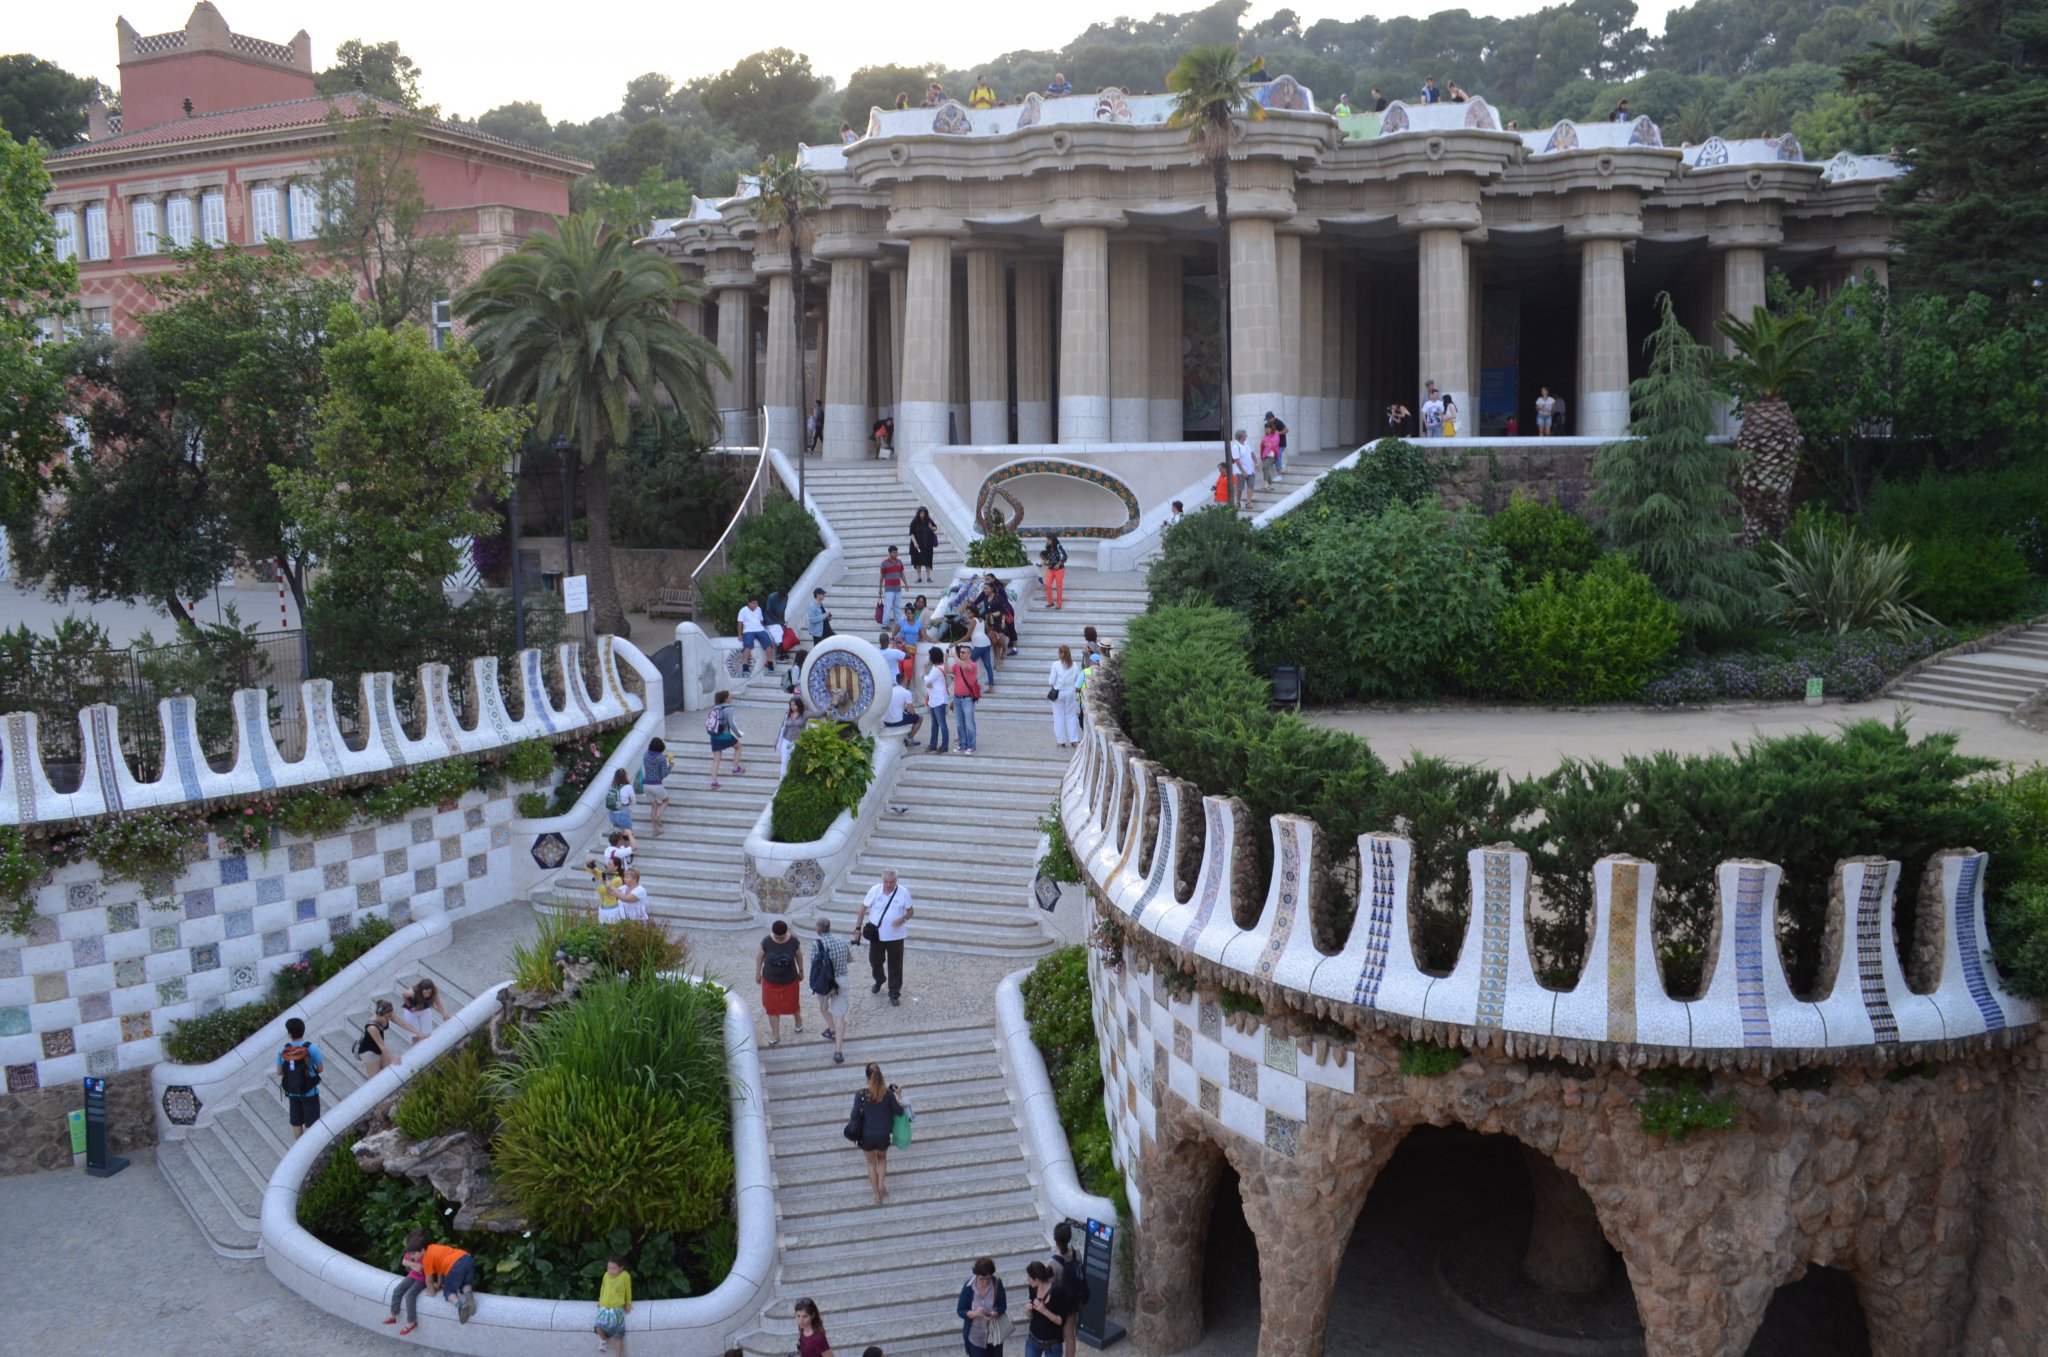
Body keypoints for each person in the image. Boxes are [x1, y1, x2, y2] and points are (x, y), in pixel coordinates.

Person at [849, 1063, 910, 1203]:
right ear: (881, 1076)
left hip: (866, 1137)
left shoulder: (860, 1094)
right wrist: (898, 1094)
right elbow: (899, 1112)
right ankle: (881, 1183)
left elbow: (854, 1115)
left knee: (871, 1163)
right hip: (883, 1136)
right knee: (882, 1158)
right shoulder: (888, 1094)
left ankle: (877, 1194)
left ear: (867, 1077)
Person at [858, 867, 914, 1004]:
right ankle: (879, 979)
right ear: (882, 880)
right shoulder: (875, 890)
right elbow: (863, 908)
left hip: (896, 936)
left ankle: (894, 993)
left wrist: (903, 919)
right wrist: (857, 928)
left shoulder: (903, 892)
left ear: (896, 881)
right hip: (877, 935)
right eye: (886, 882)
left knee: (896, 966)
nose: (889, 885)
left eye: (892, 882)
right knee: (875, 961)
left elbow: (910, 911)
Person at [811, 915, 852, 1064]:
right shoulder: (841, 941)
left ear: (818, 930)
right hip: (841, 981)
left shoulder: (817, 944)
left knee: (823, 1007)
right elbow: (850, 959)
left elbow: (814, 965)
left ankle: (832, 1029)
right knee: (840, 1015)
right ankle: (838, 1051)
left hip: (825, 983)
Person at [758, 918, 804, 1046]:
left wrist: (801, 970)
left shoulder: (793, 941)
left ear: (786, 933)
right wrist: (757, 973)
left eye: (781, 937)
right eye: (776, 937)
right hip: (770, 980)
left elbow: (799, 955)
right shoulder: (766, 941)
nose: (778, 939)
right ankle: (775, 1034)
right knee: (771, 1007)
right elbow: (759, 956)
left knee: (793, 1004)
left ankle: (798, 1021)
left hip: (790, 980)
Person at [274, 1020, 323, 1136]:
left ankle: (299, 1144)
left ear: (289, 1034)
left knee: (296, 1122)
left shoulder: (283, 1050)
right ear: (303, 1031)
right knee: (311, 1123)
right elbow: (320, 1068)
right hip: (309, 1091)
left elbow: (279, 1072)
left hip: (292, 1091)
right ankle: (310, 1144)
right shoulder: (311, 1048)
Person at [1050, 1221, 1090, 1357]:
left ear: (1055, 1238)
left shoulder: (1052, 1263)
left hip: (1057, 1306)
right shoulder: (1077, 1254)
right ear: (1069, 1237)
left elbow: (1050, 1286)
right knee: (1070, 1336)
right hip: (1072, 1302)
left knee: (1054, 1337)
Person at [958, 1255, 1009, 1357]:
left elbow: (1002, 1306)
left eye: (988, 1278)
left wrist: (996, 1313)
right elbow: (961, 1310)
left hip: (994, 1333)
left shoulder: (997, 1284)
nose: (985, 1282)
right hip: (975, 1336)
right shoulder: (968, 1287)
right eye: (982, 1279)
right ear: (976, 1275)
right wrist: (975, 1313)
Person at [421, 1238, 478, 1324]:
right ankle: (470, 1298)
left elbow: (429, 1280)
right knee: (465, 1283)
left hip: (455, 1265)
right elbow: (440, 1269)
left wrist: (431, 1293)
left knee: (448, 1291)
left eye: (413, 1254)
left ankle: (461, 1307)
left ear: (422, 1250)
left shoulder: (426, 1259)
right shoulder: (433, 1247)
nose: (411, 1257)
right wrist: (439, 1284)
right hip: (466, 1257)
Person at [1022, 1261, 1072, 1357]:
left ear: (1037, 1279)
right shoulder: (1033, 1288)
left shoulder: (1058, 1292)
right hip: (1033, 1339)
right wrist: (1028, 1310)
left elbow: (1061, 1321)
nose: (1028, 1280)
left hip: (1052, 1345)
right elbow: (1031, 1316)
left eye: (1029, 1278)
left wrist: (1044, 1311)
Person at [384, 1228, 429, 1335]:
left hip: (422, 1279)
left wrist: (412, 1265)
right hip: (412, 1275)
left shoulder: (426, 1252)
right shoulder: (412, 1249)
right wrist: (414, 1265)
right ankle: (393, 1315)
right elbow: (404, 1262)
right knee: (397, 1290)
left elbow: (420, 1269)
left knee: (409, 1295)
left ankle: (411, 1322)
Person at [595, 1253, 633, 1356]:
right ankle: (604, 1340)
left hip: (616, 1309)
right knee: (598, 1327)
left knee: (617, 1335)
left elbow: (628, 1291)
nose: (611, 1270)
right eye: (609, 1268)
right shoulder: (606, 1275)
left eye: (614, 1268)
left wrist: (628, 1304)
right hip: (604, 1307)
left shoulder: (625, 1276)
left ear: (621, 1268)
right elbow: (603, 1288)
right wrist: (600, 1301)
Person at [708, 688, 745, 789]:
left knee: (716, 759)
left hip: (714, 736)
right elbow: (732, 724)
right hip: (724, 735)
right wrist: (738, 734)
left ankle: (714, 782)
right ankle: (735, 768)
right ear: (726, 698)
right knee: (738, 746)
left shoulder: (715, 708)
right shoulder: (729, 708)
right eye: (730, 696)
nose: (731, 697)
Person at [949, 642, 982, 754]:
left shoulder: (973, 665)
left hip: (967, 699)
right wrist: (945, 659)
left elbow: (965, 666)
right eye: (960, 652)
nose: (961, 654)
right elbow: (947, 671)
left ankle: (971, 746)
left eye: (963, 652)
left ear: (969, 654)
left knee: (969, 724)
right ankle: (962, 744)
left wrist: (954, 656)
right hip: (957, 698)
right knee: (959, 723)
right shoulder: (957, 665)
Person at [1049, 644, 1083, 747]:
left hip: (1058, 692)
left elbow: (1051, 681)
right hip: (1070, 692)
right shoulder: (1075, 665)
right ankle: (1074, 739)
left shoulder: (1055, 665)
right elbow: (1078, 680)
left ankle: (1061, 740)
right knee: (1071, 715)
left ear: (1060, 654)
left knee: (1058, 716)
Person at [395, 978, 448, 1043]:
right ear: (421, 990)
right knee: (416, 1036)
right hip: (412, 1012)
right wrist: (410, 1005)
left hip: (424, 1009)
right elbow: (404, 995)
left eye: (429, 992)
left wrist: (444, 1015)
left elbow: (438, 1003)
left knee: (427, 1033)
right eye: (425, 992)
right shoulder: (411, 992)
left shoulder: (434, 991)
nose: (428, 995)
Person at [357, 999, 399, 1079]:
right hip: (369, 1052)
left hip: (378, 1048)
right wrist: (392, 1058)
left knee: (390, 1069)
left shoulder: (386, 1015)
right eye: (387, 1017)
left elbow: (402, 1023)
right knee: (375, 1078)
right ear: (379, 1015)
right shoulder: (372, 1027)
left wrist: (418, 1033)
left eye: (390, 1015)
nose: (390, 1018)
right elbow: (381, 1045)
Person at [923, 645, 951, 754]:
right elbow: (929, 682)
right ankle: (933, 744)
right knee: (934, 723)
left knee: (941, 723)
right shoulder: (937, 668)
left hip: (938, 699)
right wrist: (928, 681)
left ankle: (944, 745)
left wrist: (924, 672)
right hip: (934, 699)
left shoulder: (936, 669)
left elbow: (927, 680)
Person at [641, 737, 672, 835]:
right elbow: (664, 774)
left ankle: (655, 830)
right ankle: (657, 816)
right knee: (666, 800)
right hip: (656, 784)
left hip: (646, 784)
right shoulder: (661, 758)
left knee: (654, 806)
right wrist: (670, 767)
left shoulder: (645, 755)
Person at [738, 595, 775, 675]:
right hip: (748, 631)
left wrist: (761, 628)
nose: (755, 605)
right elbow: (740, 623)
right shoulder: (743, 610)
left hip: (760, 629)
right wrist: (740, 634)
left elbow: (761, 620)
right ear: (749, 603)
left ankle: (770, 663)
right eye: (753, 603)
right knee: (747, 645)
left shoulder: (758, 609)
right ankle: (745, 666)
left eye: (756, 603)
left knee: (768, 644)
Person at [882, 673, 922, 747]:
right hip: (896, 721)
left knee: (904, 714)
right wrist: (909, 711)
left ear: (897, 681)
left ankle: (906, 737)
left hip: (886, 721)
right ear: (905, 680)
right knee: (919, 718)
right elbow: (912, 712)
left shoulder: (891, 690)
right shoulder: (906, 692)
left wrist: (905, 709)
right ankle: (910, 739)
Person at [776, 696, 811, 777]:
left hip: (797, 741)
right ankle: (782, 778)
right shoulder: (788, 714)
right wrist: (777, 740)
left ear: (799, 705)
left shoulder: (804, 714)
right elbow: (782, 727)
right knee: (784, 761)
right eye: (791, 705)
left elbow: (817, 714)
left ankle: (791, 778)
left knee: (794, 761)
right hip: (786, 740)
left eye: (794, 705)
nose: (793, 707)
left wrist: (828, 707)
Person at [908, 507, 941, 584]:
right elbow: (911, 533)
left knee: (928, 561)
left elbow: (935, 528)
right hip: (917, 545)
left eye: (924, 513)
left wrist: (931, 527)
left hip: (927, 545)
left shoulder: (929, 520)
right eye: (921, 513)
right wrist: (915, 543)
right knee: (917, 562)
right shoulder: (915, 521)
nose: (922, 515)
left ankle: (929, 577)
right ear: (918, 513)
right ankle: (919, 577)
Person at [966, 614, 995, 698]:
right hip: (986, 643)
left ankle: (976, 686)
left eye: (969, 612)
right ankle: (991, 688)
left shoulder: (973, 621)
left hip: (979, 644)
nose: (968, 614)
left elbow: (968, 635)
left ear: (973, 613)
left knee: (968, 664)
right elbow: (987, 629)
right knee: (988, 666)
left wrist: (956, 643)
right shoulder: (981, 620)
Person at [1229, 428, 1258, 508]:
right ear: (1241, 436)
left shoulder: (1246, 443)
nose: (1246, 436)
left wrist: (1256, 463)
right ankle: (1238, 502)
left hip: (1250, 469)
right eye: (1245, 434)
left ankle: (1248, 502)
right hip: (1240, 471)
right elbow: (1236, 460)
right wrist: (1243, 471)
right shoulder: (1235, 446)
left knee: (1251, 486)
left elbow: (1252, 453)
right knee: (1239, 487)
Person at [881, 546, 906, 629]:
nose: (896, 554)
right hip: (889, 589)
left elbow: (901, 573)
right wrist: (880, 588)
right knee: (888, 607)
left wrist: (906, 583)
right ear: (890, 553)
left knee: (897, 607)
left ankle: (899, 623)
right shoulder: (884, 563)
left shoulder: (899, 562)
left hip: (897, 588)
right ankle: (885, 624)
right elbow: (882, 576)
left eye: (896, 552)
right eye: (894, 552)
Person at [1040, 534, 1067, 610]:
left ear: (1053, 540)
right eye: (1047, 540)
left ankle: (1059, 604)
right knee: (1048, 585)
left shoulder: (1058, 547)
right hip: (1050, 570)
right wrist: (1045, 563)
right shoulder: (1048, 548)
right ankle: (1050, 602)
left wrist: (1058, 564)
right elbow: (1048, 558)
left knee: (1059, 587)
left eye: (1048, 540)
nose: (1047, 541)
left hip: (1059, 570)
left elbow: (1065, 556)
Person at [605, 767, 635, 831]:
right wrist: (629, 803)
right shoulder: (628, 787)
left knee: (618, 835)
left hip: (612, 814)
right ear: (625, 776)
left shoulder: (611, 787)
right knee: (628, 834)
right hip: (623, 813)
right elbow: (633, 801)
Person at [1258, 422, 1281, 487]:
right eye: (1266, 428)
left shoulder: (1276, 434)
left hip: (1272, 455)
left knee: (1264, 467)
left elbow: (1274, 444)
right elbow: (1262, 445)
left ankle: (1266, 484)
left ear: (1272, 428)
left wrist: (1268, 444)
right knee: (1265, 468)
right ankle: (1270, 484)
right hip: (1265, 455)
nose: (1267, 430)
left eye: (1268, 428)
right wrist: (1262, 455)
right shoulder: (1266, 437)